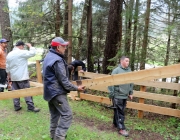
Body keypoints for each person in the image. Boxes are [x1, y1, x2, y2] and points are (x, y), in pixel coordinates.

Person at [43, 37, 85, 140]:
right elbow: (64, 82)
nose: (65, 48)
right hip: (57, 92)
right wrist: (77, 88)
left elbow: (53, 72)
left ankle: (53, 136)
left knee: (55, 115)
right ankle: (59, 137)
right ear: (58, 47)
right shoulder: (57, 60)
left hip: (49, 92)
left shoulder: (49, 55)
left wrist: (67, 68)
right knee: (67, 115)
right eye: (64, 46)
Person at [6, 41, 40, 112]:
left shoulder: (9, 54)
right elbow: (32, 53)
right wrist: (30, 46)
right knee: (27, 91)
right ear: (21, 46)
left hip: (14, 76)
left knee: (15, 92)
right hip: (22, 76)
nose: (23, 48)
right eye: (23, 46)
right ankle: (30, 107)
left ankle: (16, 106)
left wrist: (9, 75)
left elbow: (7, 67)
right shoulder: (21, 52)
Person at [108, 56, 133, 137]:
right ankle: (121, 128)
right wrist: (111, 94)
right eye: (126, 61)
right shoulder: (116, 70)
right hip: (117, 95)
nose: (128, 62)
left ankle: (115, 124)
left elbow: (131, 82)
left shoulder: (129, 70)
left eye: (128, 61)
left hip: (125, 95)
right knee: (120, 112)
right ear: (121, 61)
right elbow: (110, 82)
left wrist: (130, 92)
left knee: (119, 111)